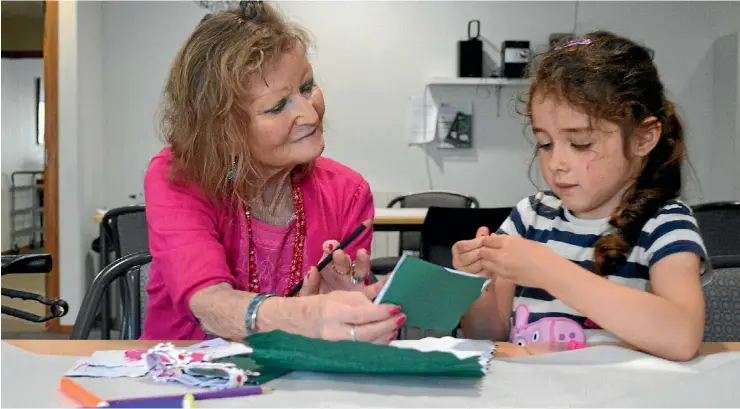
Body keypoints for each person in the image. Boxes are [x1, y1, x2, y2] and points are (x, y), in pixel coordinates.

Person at [141, 2, 406, 342]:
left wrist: (357, 306)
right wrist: (303, 318)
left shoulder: (348, 192)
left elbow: (350, 337)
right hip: (185, 381)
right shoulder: (178, 176)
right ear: (223, 129)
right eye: (278, 106)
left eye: (308, 87)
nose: (311, 115)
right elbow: (208, 302)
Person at [452, 31, 707, 361]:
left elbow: (681, 336)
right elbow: (487, 334)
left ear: (643, 138)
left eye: (581, 143)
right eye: (545, 143)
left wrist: (549, 272)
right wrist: (476, 285)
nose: (556, 163)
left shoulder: (665, 223)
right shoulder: (529, 217)